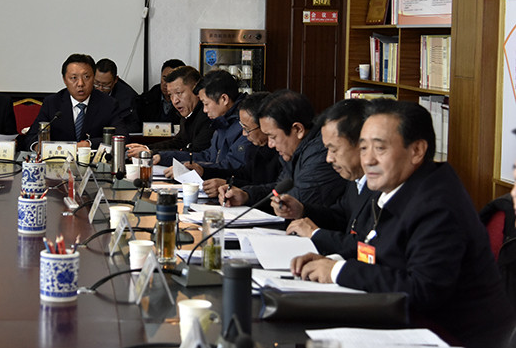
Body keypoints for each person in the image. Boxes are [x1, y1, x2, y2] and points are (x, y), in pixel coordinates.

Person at [290, 99, 516, 348]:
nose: (368, 160)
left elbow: (423, 291)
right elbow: (379, 254)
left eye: (380, 148)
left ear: (417, 150)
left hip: (451, 337)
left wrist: (337, 271)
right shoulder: (398, 188)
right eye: (363, 148)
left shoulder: (437, 205)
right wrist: (331, 262)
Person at [271, 98, 379, 257]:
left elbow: (369, 250)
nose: (328, 158)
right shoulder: (356, 181)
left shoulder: (384, 188)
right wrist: (302, 210)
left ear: (362, 145)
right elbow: (340, 217)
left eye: (333, 150)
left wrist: (316, 234)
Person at [219, 89, 345, 208]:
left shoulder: (320, 154)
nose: (270, 144)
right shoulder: (295, 151)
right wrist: (246, 195)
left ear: (298, 129)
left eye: (273, 137)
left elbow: (295, 200)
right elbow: (279, 189)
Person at [155, 70, 252, 174]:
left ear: (224, 99)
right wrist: (163, 157)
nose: (205, 110)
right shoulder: (221, 122)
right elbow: (208, 157)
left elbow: (233, 166)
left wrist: (200, 170)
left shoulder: (245, 125)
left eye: (206, 104)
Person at [22, 54, 126, 150]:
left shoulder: (108, 103)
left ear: (94, 77)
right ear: (64, 80)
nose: (80, 83)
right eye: (74, 78)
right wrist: (39, 147)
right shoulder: (52, 103)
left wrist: (89, 144)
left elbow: (121, 136)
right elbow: (31, 137)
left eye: (86, 77)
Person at [190, 92, 281, 198]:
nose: (244, 134)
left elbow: (273, 188)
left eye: (247, 129)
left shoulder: (283, 151)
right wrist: (204, 171)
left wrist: (231, 186)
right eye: (242, 127)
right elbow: (244, 175)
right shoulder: (254, 147)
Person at [127, 66, 213, 158]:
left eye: (179, 93)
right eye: (170, 95)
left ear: (196, 89)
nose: (175, 101)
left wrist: (152, 153)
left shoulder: (208, 115)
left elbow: (195, 152)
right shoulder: (188, 113)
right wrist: (147, 148)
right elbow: (179, 142)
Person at [94, 58, 141, 132]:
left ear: (115, 80)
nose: (100, 88)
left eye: (105, 85)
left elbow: (134, 126)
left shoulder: (128, 97)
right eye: (96, 83)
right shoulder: (86, 88)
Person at [135, 58, 185, 126]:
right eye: (164, 78)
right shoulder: (146, 100)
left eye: (171, 79)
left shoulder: (186, 102)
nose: (166, 83)